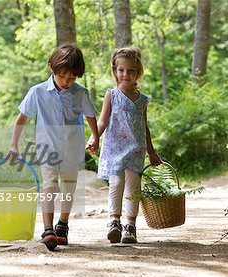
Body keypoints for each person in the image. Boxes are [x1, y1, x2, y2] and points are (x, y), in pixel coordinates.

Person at [9, 44, 99, 251]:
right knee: (49, 187)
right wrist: (14, 144)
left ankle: (63, 225)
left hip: (72, 149)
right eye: (63, 76)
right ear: (52, 68)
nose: (67, 81)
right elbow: (21, 118)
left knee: (68, 188)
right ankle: (47, 229)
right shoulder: (38, 92)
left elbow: (90, 116)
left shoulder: (80, 93)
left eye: (72, 78)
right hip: (47, 149)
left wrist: (95, 138)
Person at [88, 47, 162, 244]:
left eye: (131, 71)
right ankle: (114, 222)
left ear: (138, 73)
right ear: (115, 71)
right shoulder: (111, 95)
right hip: (114, 149)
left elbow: (144, 127)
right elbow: (102, 121)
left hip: (135, 149)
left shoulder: (142, 100)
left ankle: (130, 226)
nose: (125, 74)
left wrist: (152, 152)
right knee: (116, 185)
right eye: (121, 70)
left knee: (133, 187)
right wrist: (94, 137)